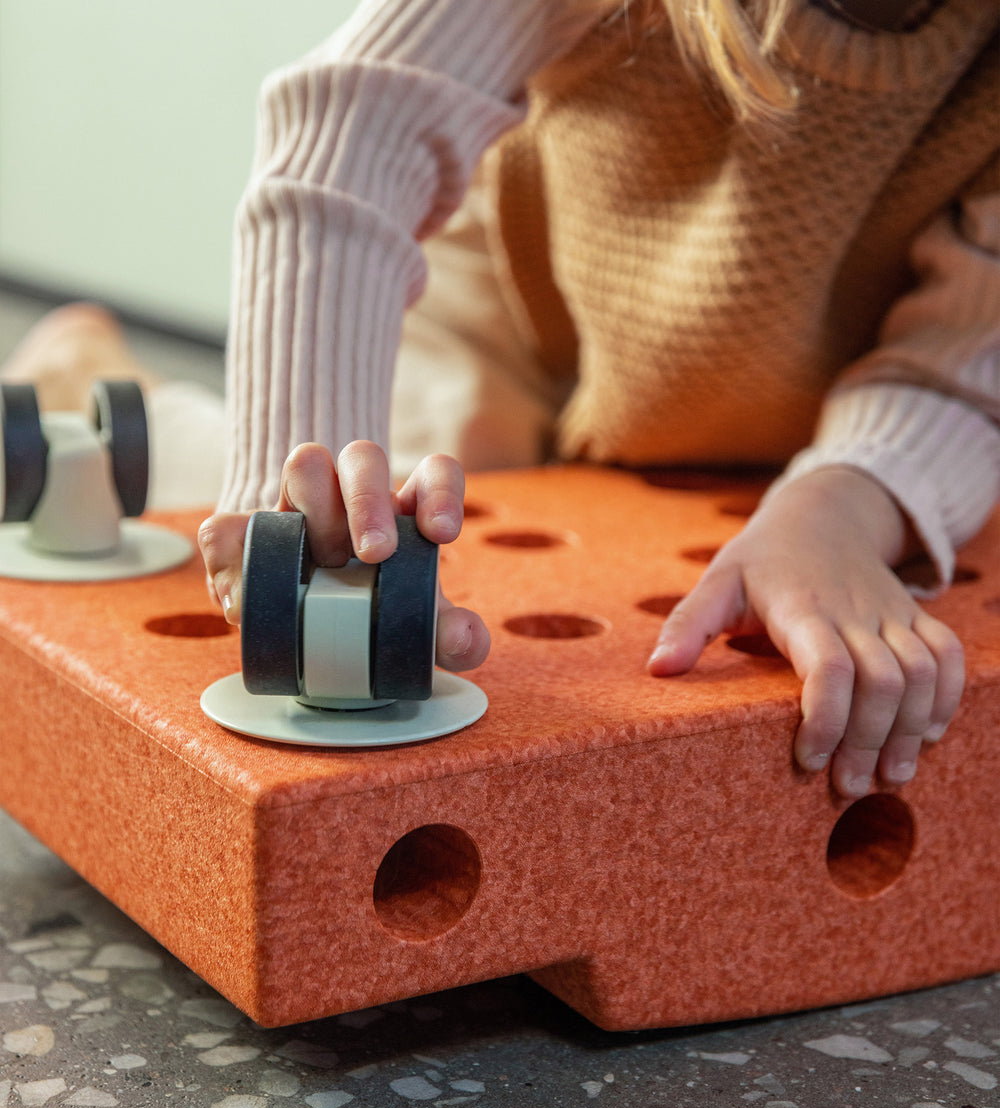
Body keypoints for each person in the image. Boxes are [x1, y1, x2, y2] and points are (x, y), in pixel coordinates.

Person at [12, 0, 999, 802]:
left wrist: (844, 500)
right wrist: (302, 497)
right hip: (514, 337)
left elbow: (970, 347)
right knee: (397, 503)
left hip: (798, 416)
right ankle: (94, 380)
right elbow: (349, 135)